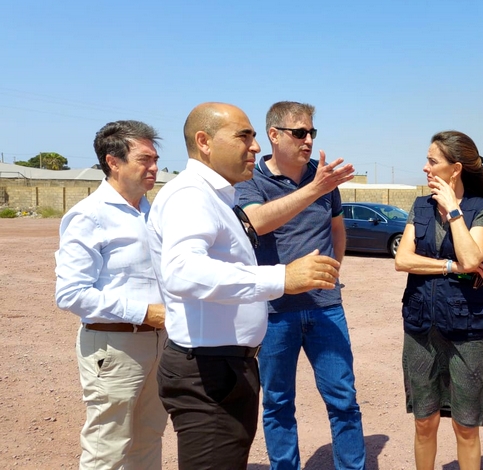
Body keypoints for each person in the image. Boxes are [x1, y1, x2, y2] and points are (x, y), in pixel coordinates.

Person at [147, 102, 341, 469]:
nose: (255, 146)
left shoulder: (218, 196)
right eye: (244, 136)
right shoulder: (190, 195)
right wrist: (281, 277)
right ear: (204, 141)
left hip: (226, 365)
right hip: (206, 370)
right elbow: (183, 271)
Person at [235, 101, 366, 470]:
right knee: (278, 402)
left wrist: (333, 270)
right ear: (274, 135)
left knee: (343, 399)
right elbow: (256, 222)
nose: (308, 140)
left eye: (312, 132)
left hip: (326, 308)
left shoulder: (323, 179)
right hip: (275, 311)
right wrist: (315, 189)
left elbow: (337, 229)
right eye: (299, 132)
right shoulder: (251, 181)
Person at [55, 120, 168, 469]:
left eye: (155, 159)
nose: (154, 167)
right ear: (113, 162)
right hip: (113, 347)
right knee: (108, 446)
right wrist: (144, 312)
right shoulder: (89, 216)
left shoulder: (154, 214)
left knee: (149, 439)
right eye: (145, 159)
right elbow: (71, 293)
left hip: (160, 342)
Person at [394, 131, 483, 470]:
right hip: (420, 329)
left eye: (432, 161)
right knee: (424, 422)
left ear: (455, 169)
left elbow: (472, 257)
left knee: (465, 426)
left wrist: (454, 210)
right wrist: (451, 266)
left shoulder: (482, 209)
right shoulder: (420, 207)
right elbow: (403, 260)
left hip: (467, 331)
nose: (425, 167)